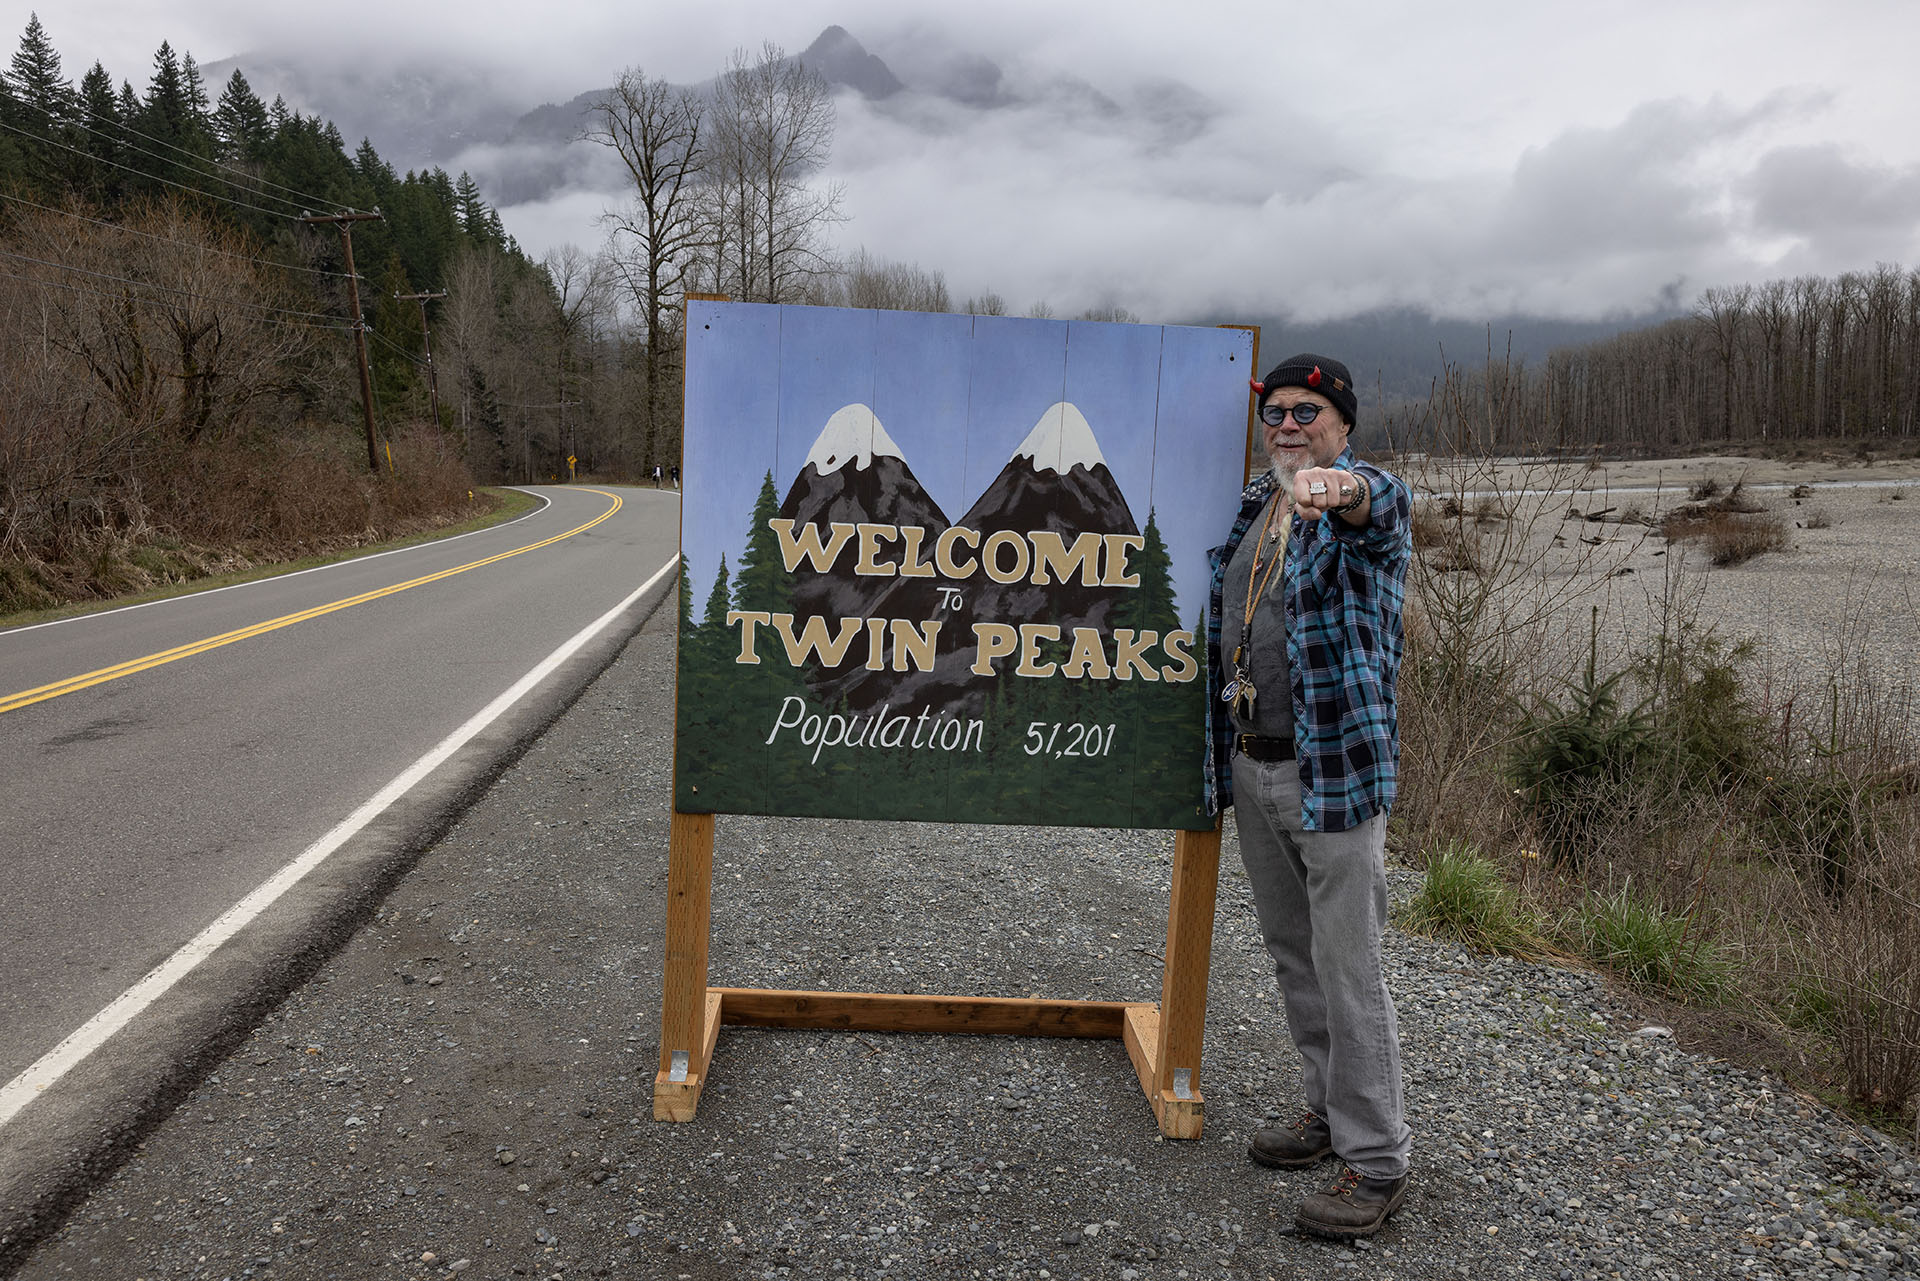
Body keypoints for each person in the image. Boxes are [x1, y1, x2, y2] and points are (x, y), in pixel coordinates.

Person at [1204, 352, 1413, 1240]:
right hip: (1254, 764)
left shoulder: (1357, 505)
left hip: (1332, 773)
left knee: (1348, 965)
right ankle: (1326, 1110)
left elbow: (1382, 503)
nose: (1288, 425)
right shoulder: (1258, 505)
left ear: (1343, 424)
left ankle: (1378, 1160)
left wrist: (1343, 489)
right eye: (1276, 412)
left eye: (1307, 412)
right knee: (1295, 954)